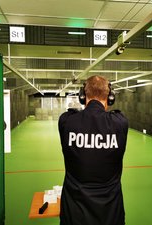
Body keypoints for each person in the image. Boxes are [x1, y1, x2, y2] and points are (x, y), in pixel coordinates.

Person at [58, 75, 129, 225]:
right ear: (110, 98)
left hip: (74, 212)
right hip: (110, 212)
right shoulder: (120, 123)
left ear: (82, 96)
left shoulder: (66, 121)